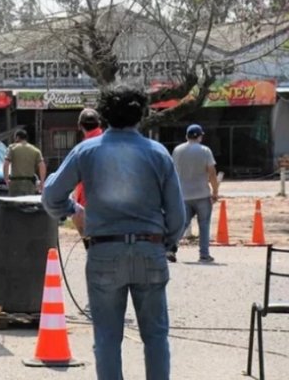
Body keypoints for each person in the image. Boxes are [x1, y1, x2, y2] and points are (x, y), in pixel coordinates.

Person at [42, 87, 185, 380]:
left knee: (107, 339)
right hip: (150, 248)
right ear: (142, 114)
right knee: (156, 337)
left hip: (104, 250)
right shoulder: (159, 154)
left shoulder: (86, 151)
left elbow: (51, 196)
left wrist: (75, 210)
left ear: (104, 116)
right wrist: (164, 243)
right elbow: (178, 216)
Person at [169, 124, 219, 263]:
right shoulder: (205, 150)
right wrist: (215, 191)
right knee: (204, 225)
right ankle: (204, 254)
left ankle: (170, 248)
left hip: (183, 194)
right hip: (202, 193)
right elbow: (212, 172)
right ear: (200, 136)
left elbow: (172, 171)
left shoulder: (177, 150)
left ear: (187, 136)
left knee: (182, 224)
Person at [73, 107, 103, 246]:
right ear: (99, 124)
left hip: (87, 204)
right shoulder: (111, 143)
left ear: (79, 126)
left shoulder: (81, 150)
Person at [3, 129, 46, 196]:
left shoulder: (12, 148)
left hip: (15, 184)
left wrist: (6, 179)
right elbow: (42, 165)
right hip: (29, 184)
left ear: (17, 137)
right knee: (28, 204)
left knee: (14, 205)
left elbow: (6, 164)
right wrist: (42, 182)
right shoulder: (35, 150)